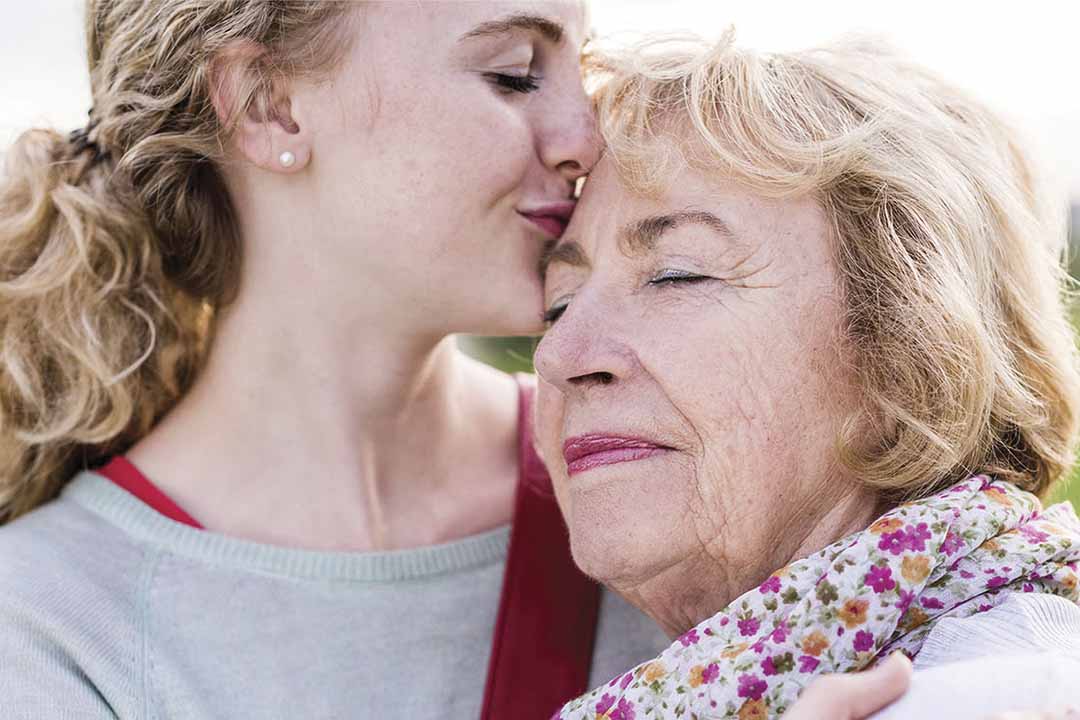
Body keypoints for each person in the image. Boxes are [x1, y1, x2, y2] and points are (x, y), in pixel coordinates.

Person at [0, 2, 676, 718]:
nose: (587, 137)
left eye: (584, 68)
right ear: (270, 106)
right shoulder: (50, 629)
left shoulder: (665, 484)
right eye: (512, 76)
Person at [534, 31, 1080, 719]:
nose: (557, 357)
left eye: (676, 274)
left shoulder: (1013, 696)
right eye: (557, 303)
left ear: (908, 354)